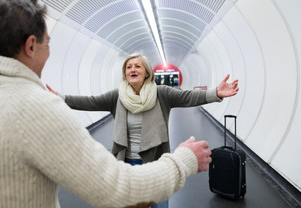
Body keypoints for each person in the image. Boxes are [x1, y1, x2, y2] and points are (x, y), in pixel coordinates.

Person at [0, 0, 213, 208]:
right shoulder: (36, 108)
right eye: (48, 42)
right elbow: (116, 188)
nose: (48, 50)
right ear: (31, 45)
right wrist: (183, 161)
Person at [47, 53, 239, 208]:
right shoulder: (118, 96)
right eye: (128, 67)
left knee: (158, 203)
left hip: (156, 161)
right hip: (126, 163)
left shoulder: (161, 93)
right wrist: (60, 97)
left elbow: (188, 97)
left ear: (147, 72)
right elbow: (90, 101)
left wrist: (215, 93)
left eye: (137, 66)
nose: (132, 69)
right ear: (125, 73)